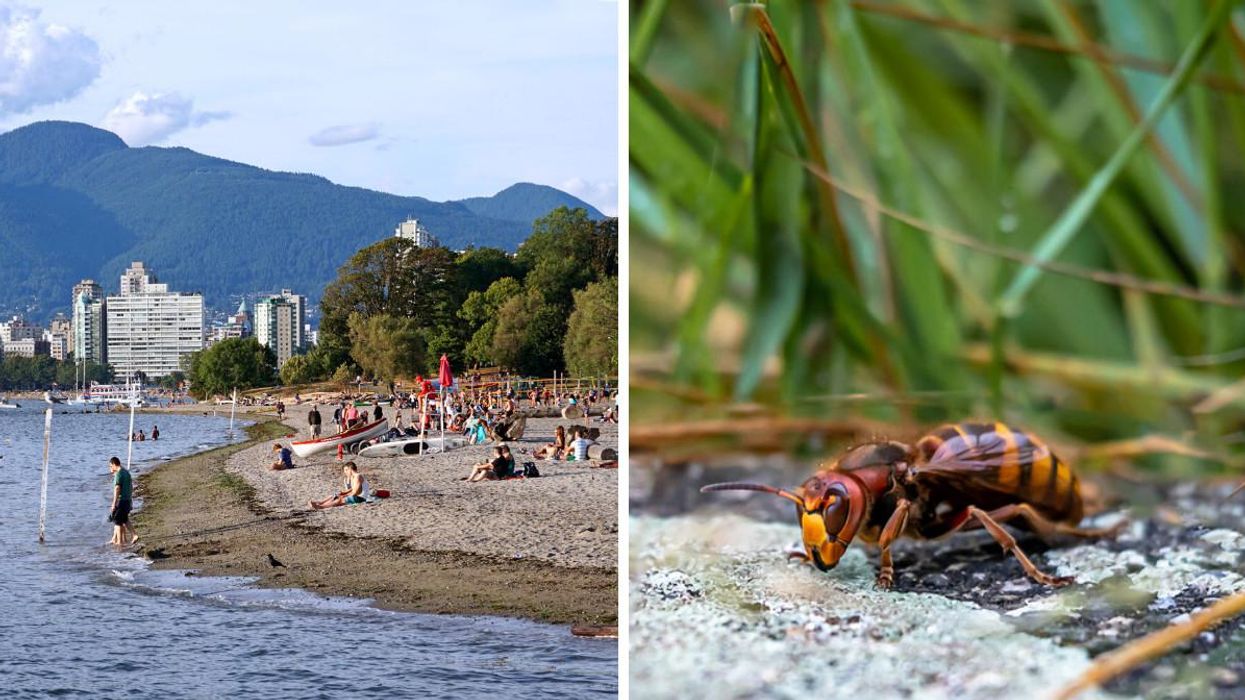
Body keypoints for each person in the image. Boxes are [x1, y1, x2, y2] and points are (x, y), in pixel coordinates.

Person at [108, 457, 138, 546]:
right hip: (128, 499)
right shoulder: (126, 472)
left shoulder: (119, 474)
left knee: (118, 521)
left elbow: (117, 488)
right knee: (124, 519)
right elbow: (130, 486)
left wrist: (114, 503)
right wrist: (130, 498)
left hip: (122, 500)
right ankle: (133, 535)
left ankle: (120, 542)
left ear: (114, 464)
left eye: (110, 466)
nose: (110, 469)